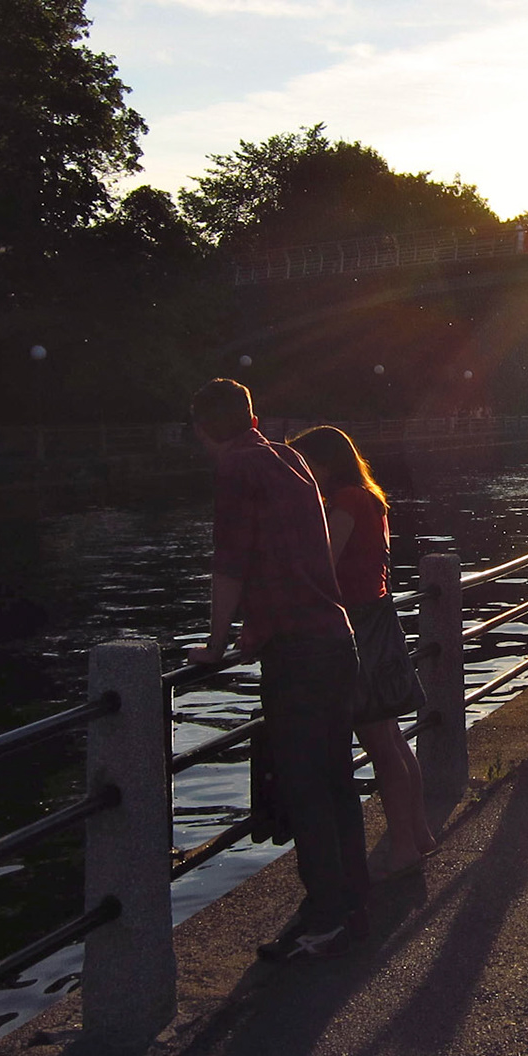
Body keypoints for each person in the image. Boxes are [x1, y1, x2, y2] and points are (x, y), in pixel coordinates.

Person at [185, 379, 367, 962]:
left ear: (202, 428)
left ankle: (326, 918)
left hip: (297, 652)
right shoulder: (289, 456)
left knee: (306, 785)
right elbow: (294, 555)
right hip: (335, 638)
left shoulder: (237, 470)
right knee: (337, 779)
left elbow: (231, 562)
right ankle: (352, 901)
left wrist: (215, 645)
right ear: (253, 416)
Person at [289, 425, 439, 877]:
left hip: (357, 626)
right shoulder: (368, 496)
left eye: (305, 465)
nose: (301, 474)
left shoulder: (347, 501)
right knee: (391, 737)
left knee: (379, 743)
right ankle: (418, 833)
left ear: (325, 463)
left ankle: (403, 849)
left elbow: (322, 564)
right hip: (377, 618)